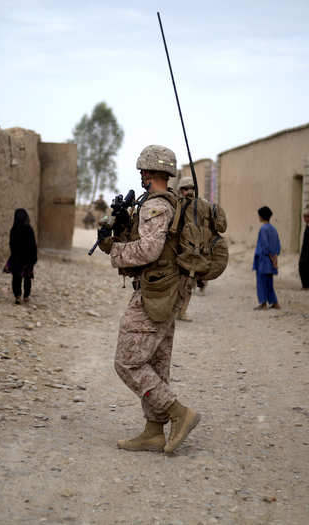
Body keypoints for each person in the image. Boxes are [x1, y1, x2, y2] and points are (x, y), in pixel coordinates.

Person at [99, 145, 200, 454]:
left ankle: (179, 413)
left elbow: (149, 250)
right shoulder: (172, 202)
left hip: (154, 293)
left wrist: (115, 250)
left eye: (143, 170)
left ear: (152, 172)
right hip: (168, 291)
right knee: (156, 363)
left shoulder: (155, 206)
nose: (140, 175)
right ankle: (154, 431)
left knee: (127, 362)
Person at [175, 176, 196, 322]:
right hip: (175, 251)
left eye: (192, 189)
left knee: (188, 283)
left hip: (192, 251)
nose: (189, 191)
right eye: (185, 189)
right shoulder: (174, 205)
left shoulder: (199, 207)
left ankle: (182, 311)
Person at [253, 206, 281, 310]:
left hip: (264, 260)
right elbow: (277, 245)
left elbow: (265, 246)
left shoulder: (263, 229)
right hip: (271, 259)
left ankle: (263, 303)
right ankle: (274, 302)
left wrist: (271, 258)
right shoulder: (273, 229)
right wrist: (275, 259)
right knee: (269, 282)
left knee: (261, 282)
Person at [8, 208, 37, 305]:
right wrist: (34, 258)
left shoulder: (13, 230)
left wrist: (13, 256)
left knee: (16, 278)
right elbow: (33, 245)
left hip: (17, 259)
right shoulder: (29, 229)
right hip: (28, 259)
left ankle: (17, 296)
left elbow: (11, 245)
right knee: (27, 278)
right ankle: (26, 296)